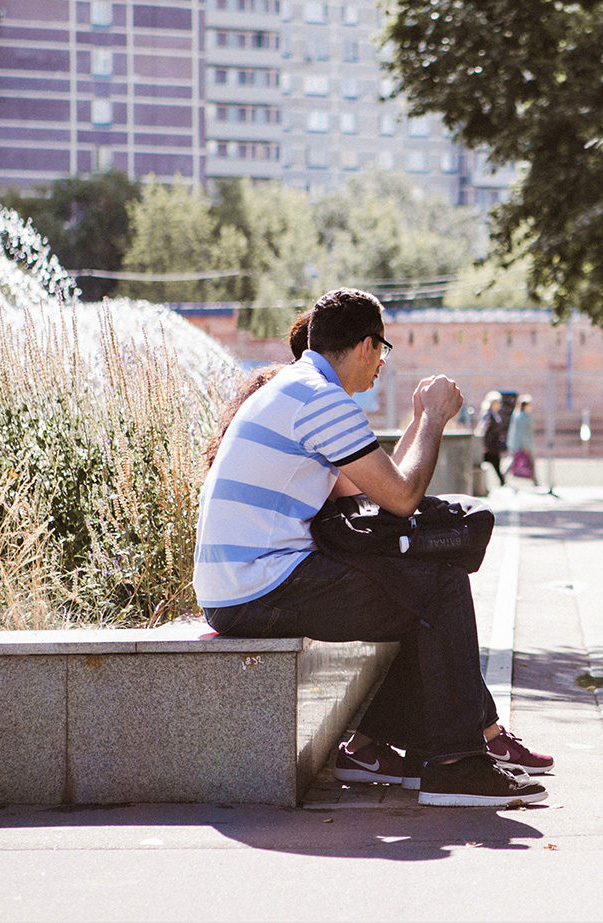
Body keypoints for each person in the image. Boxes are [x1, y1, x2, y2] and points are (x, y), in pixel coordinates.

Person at [194, 288, 551, 807]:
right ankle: (454, 765)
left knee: (415, 592)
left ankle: (376, 747)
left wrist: (418, 422)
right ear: (366, 346)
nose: (382, 364)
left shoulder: (299, 389)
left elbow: (376, 491)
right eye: (383, 351)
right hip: (260, 588)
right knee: (438, 587)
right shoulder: (320, 399)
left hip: (240, 587)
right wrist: (432, 419)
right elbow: (404, 498)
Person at [506, 395, 538, 483]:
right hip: (523, 444)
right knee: (528, 462)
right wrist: (525, 446)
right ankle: (535, 481)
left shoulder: (517, 414)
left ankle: (535, 480)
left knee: (515, 460)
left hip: (518, 443)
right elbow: (523, 433)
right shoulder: (523, 417)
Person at [478, 392, 507, 487]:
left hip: (494, 445)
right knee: (492, 465)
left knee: (497, 466)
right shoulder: (488, 414)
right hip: (490, 446)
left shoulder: (494, 414)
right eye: (498, 402)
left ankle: (502, 483)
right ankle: (502, 483)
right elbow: (483, 428)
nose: (500, 404)